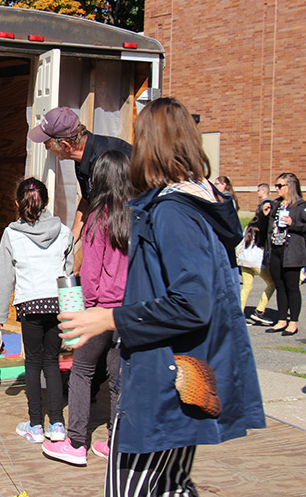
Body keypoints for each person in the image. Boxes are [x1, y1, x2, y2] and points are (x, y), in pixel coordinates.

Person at [57, 97, 265, 495]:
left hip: (165, 380)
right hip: (185, 375)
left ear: (149, 145)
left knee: (131, 489)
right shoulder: (197, 204)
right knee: (169, 486)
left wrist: (110, 317)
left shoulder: (175, 212)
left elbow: (191, 302)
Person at [42, 150, 131, 466]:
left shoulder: (98, 218)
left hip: (98, 310)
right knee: (118, 378)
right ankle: (117, 443)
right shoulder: (136, 217)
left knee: (81, 372)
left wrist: (81, 311)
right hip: (127, 313)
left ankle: (76, 442)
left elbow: (92, 274)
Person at [0, 177, 73, 443]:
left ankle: (36, 425)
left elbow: (5, 276)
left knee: (32, 363)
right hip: (56, 302)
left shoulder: (11, 234)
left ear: (17, 203)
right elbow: (69, 271)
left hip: (30, 304)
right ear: (47, 201)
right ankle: (58, 425)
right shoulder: (63, 231)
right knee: (52, 362)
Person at [28, 107, 132, 245]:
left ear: (65, 145)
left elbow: (108, 218)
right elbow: (88, 199)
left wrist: (74, 262)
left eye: (47, 143)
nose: (46, 148)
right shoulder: (81, 159)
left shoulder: (106, 161)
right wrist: (70, 240)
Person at [258, 174, 306, 336]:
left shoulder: (301, 206)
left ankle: (293, 322)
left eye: (280, 185)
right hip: (275, 250)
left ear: (289, 186)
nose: (276, 189)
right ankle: (281, 319)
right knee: (280, 286)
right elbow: (263, 227)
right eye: (276, 185)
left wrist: (294, 225)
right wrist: (264, 214)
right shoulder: (276, 204)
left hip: (292, 252)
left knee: (292, 287)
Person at [237, 218, 276, 323]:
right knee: (272, 284)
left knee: (246, 286)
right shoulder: (263, 229)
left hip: (244, 259)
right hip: (256, 261)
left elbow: (241, 243)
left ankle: (239, 313)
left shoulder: (248, 227)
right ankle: (259, 310)